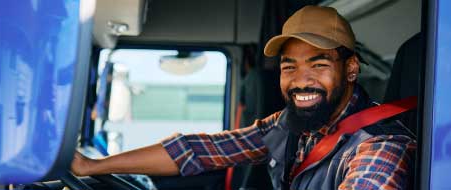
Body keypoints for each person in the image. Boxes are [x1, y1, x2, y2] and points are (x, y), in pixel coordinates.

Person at [71, 6, 416, 189]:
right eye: (289, 66)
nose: (300, 81)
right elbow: (201, 150)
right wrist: (94, 166)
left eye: (319, 63)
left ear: (351, 69)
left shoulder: (381, 143)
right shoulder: (291, 125)